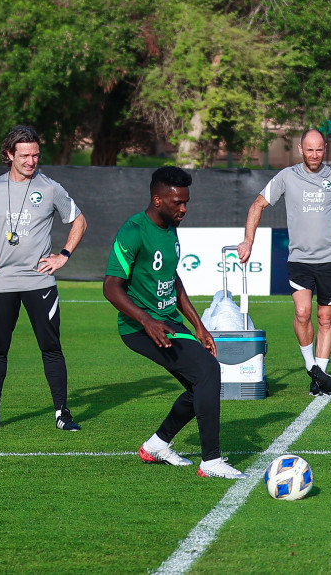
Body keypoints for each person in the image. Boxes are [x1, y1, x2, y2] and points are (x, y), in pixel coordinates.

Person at [103, 166, 241, 478]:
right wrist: (147, 321)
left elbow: (172, 277)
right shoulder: (134, 231)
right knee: (208, 371)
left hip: (168, 322)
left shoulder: (169, 228)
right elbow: (111, 286)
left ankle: (156, 445)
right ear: (157, 200)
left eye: (186, 202)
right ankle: (211, 462)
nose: (184, 208)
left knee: (200, 386)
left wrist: (198, 325)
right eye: (178, 202)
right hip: (140, 328)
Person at [0, 125, 87, 432]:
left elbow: (79, 221)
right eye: (24, 155)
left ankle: (62, 413)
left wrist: (64, 255)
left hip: (39, 283)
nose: (31, 161)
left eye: (35, 155)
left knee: (51, 348)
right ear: (9, 155)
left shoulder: (50, 188)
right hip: (1, 283)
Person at [238, 129, 331, 396]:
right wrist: (248, 241)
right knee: (302, 313)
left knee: (326, 317)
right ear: (300, 149)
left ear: (326, 149)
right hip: (299, 259)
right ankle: (312, 367)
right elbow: (257, 205)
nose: (314, 155)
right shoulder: (287, 177)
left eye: (319, 150)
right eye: (309, 150)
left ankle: (319, 377)